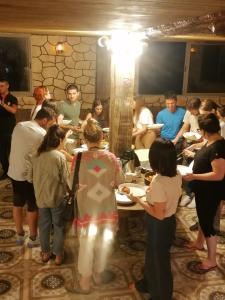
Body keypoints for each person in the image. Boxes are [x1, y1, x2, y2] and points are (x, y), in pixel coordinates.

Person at [68, 119, 124, 294]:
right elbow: (121, 182)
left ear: (85, 139)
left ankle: (85, 283)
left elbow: (71, 184)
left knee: (86, 245)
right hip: (107, 210)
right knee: (104, 242)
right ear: (102, 137)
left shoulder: (77, 159)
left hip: (86, 210)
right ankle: (98, 275)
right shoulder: (112, 158)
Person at [130, 138, 182, 300]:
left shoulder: (159, 181)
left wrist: (139, 200)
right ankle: (147, 284)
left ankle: (161, 296)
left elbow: (158, 213)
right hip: (168, 222)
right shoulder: (177, 174)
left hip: (159, 224)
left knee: (160, 263)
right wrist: (150, 193)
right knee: (153, 257)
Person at [7, 108, 56, 247]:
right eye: (49, 123)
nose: (48, 126)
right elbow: (49, 153)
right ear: (45, 120)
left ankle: (20, 235)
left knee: (17, 203)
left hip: (14, 171)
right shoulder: (41, 133)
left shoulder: (19, 125)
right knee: (32, 205)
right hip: (27, 175)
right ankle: (33, 238)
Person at [183, 114, 225, 272]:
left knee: (208, 224)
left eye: (200, 130)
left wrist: (194, 176)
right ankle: (199, 243)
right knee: (202, 217)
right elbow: (206, 153)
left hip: (211, 192)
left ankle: (212, 259)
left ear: (205, 130)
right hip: (204, 190)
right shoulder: (212, 140)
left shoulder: (219, 148)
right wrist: (194, 149)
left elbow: (218, 174)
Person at [31, 125, 69, 265]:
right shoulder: (59, 157)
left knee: (44, 225)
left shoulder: (36, 155)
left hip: (41, 198)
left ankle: (45, 253)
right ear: (59, 140)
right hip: (57, 198)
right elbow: (65, 180)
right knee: (58, 226)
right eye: (64, 140)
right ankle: (58, 255)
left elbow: (29, 177)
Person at [0, 79, 18, 179]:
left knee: (11, 152)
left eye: (2, 86)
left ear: (7, 86)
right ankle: (6, 171)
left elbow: (14, 110)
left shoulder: (12, 98)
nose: (0, 88)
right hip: (0, 130)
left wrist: (3, 104)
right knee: (1, 153)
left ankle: (13, 172)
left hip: (9, 130)